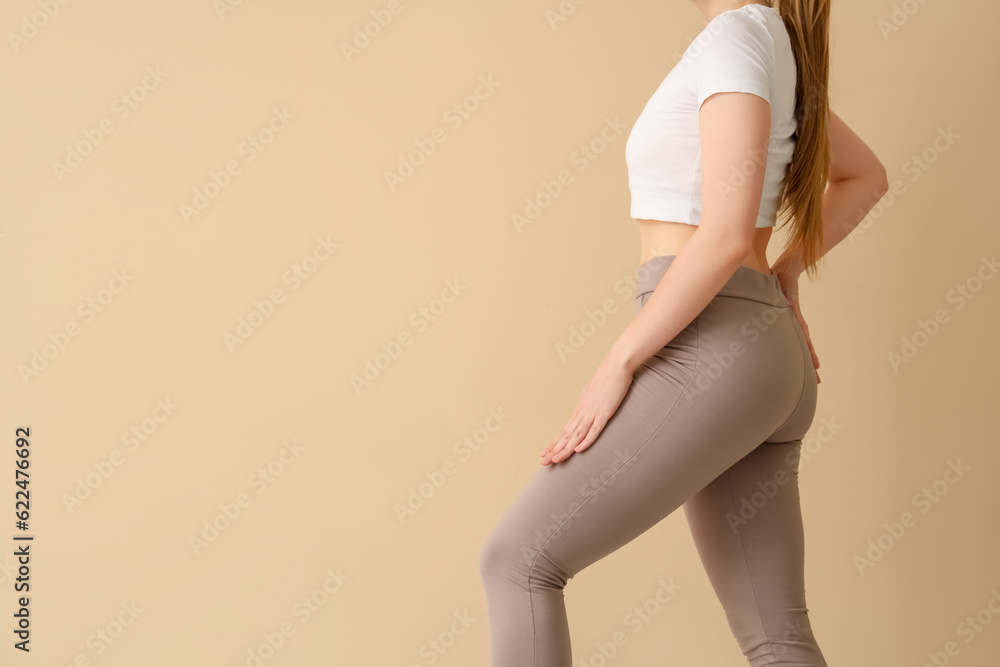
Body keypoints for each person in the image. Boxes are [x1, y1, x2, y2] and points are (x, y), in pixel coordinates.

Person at [478, 0, 889, 665]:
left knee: (518, 560)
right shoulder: (771, 44)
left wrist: (620, 357)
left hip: (714, 342)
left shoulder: (737, 34)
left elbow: (724, 234)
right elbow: (867, 176)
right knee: (776, 636)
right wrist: (782, 275)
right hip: (760, 352)